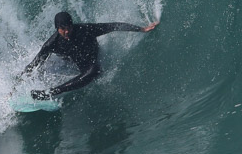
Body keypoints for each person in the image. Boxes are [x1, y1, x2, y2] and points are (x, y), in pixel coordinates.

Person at [20, 11, 158, 100]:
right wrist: (18, 84)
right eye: (62, 29)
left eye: (68, 27)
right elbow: (35, 63)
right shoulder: (52, 44)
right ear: (57, 28)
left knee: (94, 71)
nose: (66, 31)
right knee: (45, 65)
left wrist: (141, 29)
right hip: (74, 61)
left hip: (90, 62)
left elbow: (112, 26)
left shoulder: (85, 29)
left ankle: (52, 92)